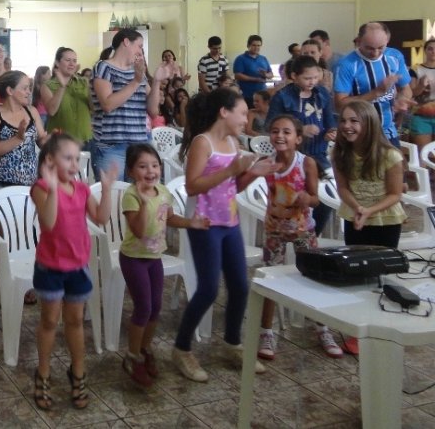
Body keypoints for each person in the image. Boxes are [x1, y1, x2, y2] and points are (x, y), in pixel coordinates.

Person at [172, 87, 277, 382]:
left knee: (241, 286)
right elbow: (192, 186)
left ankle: (233, 342)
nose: (246, 119)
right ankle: (181, 348)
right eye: (242, 113)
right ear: (224, 112)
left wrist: (252, 173)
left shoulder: (232, 141)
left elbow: (233, 188)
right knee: (207, 289)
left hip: (229, 223)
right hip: (205, 225)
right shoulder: (202, 143)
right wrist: (233, 168)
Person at [30, 133, 115, 409]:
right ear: (51, 160)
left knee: (76, 321)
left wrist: (108, 188)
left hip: (78, 265)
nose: (74, 164)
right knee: (50, 321)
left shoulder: (81, 189)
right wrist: (54, 189)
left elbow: (101, 218)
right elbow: (49, 223)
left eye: (77, 159)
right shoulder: (41, 188)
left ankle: (78, 370)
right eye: (68, 158)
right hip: (51, 267)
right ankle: (42, 372)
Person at [256, 115, 343, 360]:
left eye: (286, 132)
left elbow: (316, 197)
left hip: (304, 229)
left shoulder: (306, 163)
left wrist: (308, 199)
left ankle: (321, 328)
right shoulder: (266, 163)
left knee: (314, 278)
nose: (280, 136)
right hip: (274, 230)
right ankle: (266, 332)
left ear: (298, 138)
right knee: (270, 280)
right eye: (275, 131)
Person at [120, 144, 208, 386]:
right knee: (143, 307)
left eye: (155, 165)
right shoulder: (130, 195)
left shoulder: (163, 192)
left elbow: (169, 218)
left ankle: (145, 349)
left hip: (154, 257)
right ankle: (132, 355)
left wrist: (192, 223)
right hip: (134, 258)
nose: (150, 171)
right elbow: (137, 230)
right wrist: (141, 198)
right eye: (143, 166)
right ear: (131, 172)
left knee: (156, 307)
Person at [0, 70, 49, 306]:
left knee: (32, 236)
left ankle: (27, 283)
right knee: (3, 239)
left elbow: (41, 137)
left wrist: (53, 140)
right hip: (5, 186)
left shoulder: (31, 112)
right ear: (10, 91)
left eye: (30, 87)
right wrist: (18, 138)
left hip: (31, 185)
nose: (28, 92)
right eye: (24, 88)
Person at [266, 55, 337, 235]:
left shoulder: (322, 94)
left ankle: (314, 233)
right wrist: (300, 130)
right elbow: (270, 125)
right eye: (307, 78)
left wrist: (331, 132)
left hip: (318, 154)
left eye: (315, 77)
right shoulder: (282, 97)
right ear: (294, 76)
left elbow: (330, 121)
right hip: (292, 157)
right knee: (291, 199)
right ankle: (289, 234)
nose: (312, 81)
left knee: (326, 197)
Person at [333, 101, 406, 248]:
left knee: (383, 263)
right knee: (357, 262)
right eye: (343, 121)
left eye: (354, 121)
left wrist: (369, 211)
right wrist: (358, 209)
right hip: (354, 214)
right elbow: (343, 188)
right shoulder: (339, 154)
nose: (346, 126)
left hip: (386, 218)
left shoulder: (391, 155)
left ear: (369, 124)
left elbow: (395, 194)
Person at [91, 28, 160, 179]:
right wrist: (135, 81)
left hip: (140, 143)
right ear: (126, 42)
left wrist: (157, 82)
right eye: (139, 46)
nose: (141, 51)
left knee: (139, 196)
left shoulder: (137, 72)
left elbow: (153, 111)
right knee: (114, 195)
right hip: (112, 145)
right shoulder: (104, 67)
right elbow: (107, 105)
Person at [334, 22, 413, 147]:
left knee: (397, 165)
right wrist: (377, 92)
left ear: (387, 40)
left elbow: (406, 89)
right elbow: (339, 104)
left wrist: (402, 99)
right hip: (360, 134)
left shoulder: (395, 56)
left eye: (381, 47)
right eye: (369, 48)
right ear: (359, 41)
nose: (375, 53)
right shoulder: (347, 64)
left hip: (388, 131)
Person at [42, 47, 92, 146]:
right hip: (60, 142)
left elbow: (93, 108)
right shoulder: (48, 85)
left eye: (74, 61)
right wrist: (62, 86)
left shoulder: (83, 82)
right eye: (68, 60)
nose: (72, 64)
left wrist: (91, 88)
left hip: (85, 140)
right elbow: (52, 111)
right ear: (57, 63)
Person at [233, 35, 273, 108]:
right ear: (248, 45)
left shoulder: (263, 58)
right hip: (247, 95)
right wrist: (255, 79)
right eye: (254, 45)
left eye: (259, 45)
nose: (256, 47)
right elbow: (238, 75)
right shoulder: (240, 59)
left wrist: (266, 75)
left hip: (262, 95)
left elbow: (271, 74)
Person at [409, 39, 435, 148]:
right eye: (430, 49)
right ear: (425, 51)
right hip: (421, 116)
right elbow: (411, 93)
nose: (433, 51)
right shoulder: (416, 69)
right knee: (423, 154)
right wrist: (421, 86)